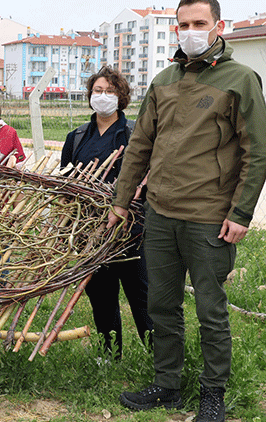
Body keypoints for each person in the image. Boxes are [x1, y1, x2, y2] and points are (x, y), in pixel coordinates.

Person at [108, 1, 266, 421]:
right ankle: (167, 385)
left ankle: (212, 393)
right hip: (160, 214)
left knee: (210, 310)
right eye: (183, 24)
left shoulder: (240, 79)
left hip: (209, 217)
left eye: (200, 23)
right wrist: (121, 200)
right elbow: (140, 145)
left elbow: (257, 152)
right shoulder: (164, 80)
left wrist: (241, 213)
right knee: (161, 305)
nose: (190, 31)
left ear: (219, 26)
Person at [61, 66, 153, 360]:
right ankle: (109, 354)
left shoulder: (135, 133)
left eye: (110, 92)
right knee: (101, 295)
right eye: (98, 91)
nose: (103, 97)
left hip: (131, 230)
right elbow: (65, 182)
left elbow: (152, 173)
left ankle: (158, 356)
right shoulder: (76, 137)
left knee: (142, 295)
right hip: (92, 231)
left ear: (121, 97)